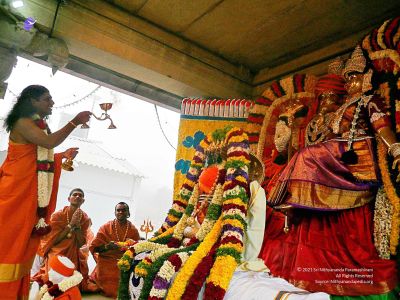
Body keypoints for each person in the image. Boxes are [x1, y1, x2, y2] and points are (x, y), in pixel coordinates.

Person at [260, 46, 398, 296]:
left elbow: (381, 126)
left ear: (366, 77)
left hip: (356, 154)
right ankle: (289, 201)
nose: (350, 83)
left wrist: (395, 148)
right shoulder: (340, 110)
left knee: (307, 155)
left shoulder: (369, 101)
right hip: (336, 152)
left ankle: (288, 199)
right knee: (306, 152)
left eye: (354, 77)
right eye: (347, 79)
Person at [0, 85, 90, 299]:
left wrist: (59, 157)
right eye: (47, 99)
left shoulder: (38, 125)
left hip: (28, 195)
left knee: (23, 245)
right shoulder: (22, 123)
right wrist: (74, 122)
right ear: (32, 100)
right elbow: (48, 142)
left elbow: (41, 154)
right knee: (7, 243)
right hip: (14, 193)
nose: (51, 103)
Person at [33, 188, 96, 292]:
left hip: (74, 251)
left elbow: (81, 243)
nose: (77, 197)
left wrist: (78, 227)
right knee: (53, 276)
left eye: (80, 196)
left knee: (72, 281)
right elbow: (53, 240)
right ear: (69, 198)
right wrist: (70, 225)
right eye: (75, 195)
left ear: (83, 201)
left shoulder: (85, 219)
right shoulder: (58, 215)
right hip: (57, 249)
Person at [90, 202, 140, 298]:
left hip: (124, 260)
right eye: (118, 210)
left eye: (123, 210)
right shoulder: (105, 227)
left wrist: (125, 248)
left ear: (128, 213)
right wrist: (107, 247)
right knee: (109, 280)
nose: (120, 212)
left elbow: (136, 249)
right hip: (106, 260)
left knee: (121, 277)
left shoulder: (133, 230)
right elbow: (94, 248)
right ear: (115, 213)